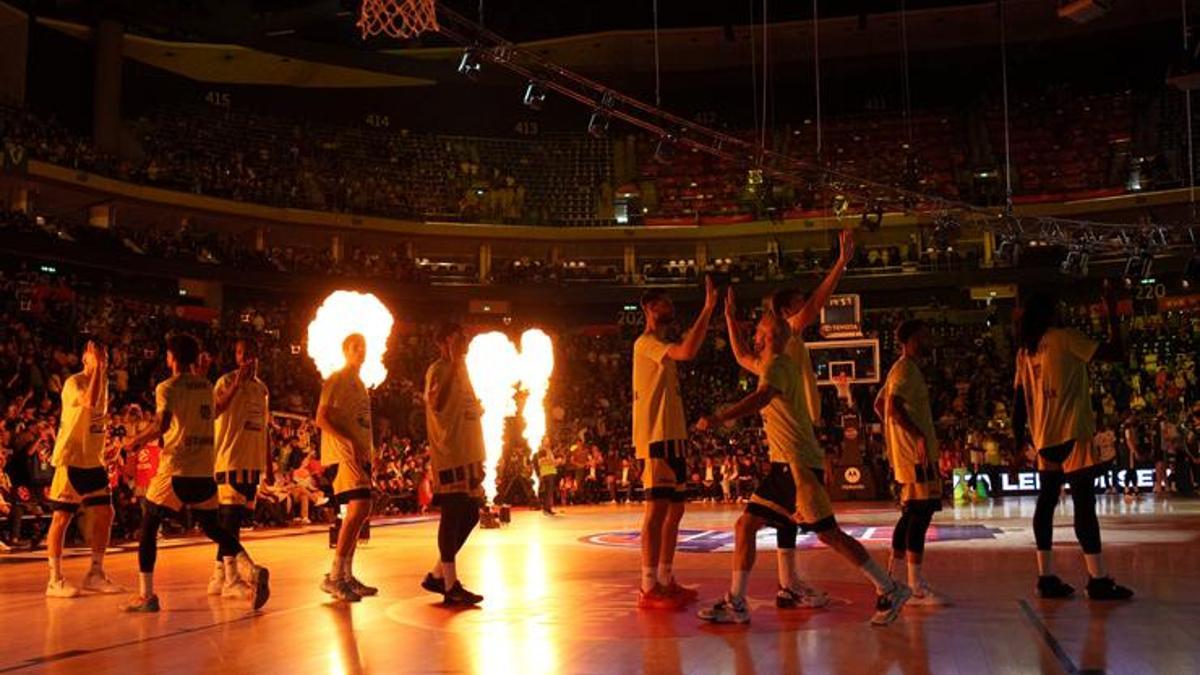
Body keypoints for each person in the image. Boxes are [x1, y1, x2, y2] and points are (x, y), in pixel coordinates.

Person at [696, 291, 909, 626]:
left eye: (758, 331)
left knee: (830, 535)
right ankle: (737, 601)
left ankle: (889, 587)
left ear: (769, 337)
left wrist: (722, 417)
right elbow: (740, 355)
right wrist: (728, 318)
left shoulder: (779, 366)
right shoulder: (771, 363)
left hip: (797, 468)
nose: (753, 335)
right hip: (785, 466)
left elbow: (762, 396)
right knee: (745, 525)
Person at [120, 334, 269, 612]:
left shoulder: (167, 387)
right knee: (214, 528)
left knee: (149, 525)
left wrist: (136, 440)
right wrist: (233, 383)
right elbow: (219, 408)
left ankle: (146, 596)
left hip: (175, 468)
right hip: (204, 471)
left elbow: (162, 425)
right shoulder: (206, 385)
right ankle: (251, 568)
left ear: (172, 358)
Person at [1012, 286, 1133, 601]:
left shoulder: (1025, 351)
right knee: (1084, 505)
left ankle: (1046, 576)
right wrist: (1112, 315)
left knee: (1046, 503)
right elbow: (1116, 353)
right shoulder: (1065, 338)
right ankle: (1097, 579)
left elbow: (1017, 404)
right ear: (1051, 312)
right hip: (1073, 432)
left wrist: (1017, 441)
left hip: (1044, 438)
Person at [764, 228, 856, 608]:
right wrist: (840, 262)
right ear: (787, 313)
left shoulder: (791, 342)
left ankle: (788, 583)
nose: (807, 310)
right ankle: (885, 584)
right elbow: (818, 302)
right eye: (799, 305)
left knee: (784, 513)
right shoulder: (788, 332)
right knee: (820, 522)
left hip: (797, 432)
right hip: (795, 436)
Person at [633, 277, 718, 609]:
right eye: (665, 303)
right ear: (651, 308)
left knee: (676, 509)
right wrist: (708, 308)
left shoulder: (660, 347)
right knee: (656, 511)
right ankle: (647, 584)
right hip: (656, 437)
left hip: (674, 435)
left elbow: (686, 349)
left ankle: (666, 578)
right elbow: (688, 351)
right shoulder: (645, 343)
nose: (671, 308)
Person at [874, 320, 949, 606]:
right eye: (922, 337)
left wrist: (894, 435)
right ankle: (915, 585)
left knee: (910, 514)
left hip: (906, 454)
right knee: (921, 515)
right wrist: (915, 436)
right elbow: (891, 408)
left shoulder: (898, 368)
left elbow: (879, 406)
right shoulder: (906, 369)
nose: (926, 340)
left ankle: (891, 579)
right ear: (909, 341)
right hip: (915, 456)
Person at [45, 341, 125, 598]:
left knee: (106, 513)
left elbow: (95, 423)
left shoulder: (103, 384)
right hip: (71, 459)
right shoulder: (74, 383)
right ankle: (54, 579)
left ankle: (95, 573)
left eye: (105, 357)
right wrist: (100, 368)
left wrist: (106, 447)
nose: (103, 360)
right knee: (61, 518)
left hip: (93, 461)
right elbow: (89, 403)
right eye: (97, 356)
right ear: (84, 359)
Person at [419, 323, 485, 606]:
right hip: (450, 454)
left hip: (469, 453)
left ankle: (437, 574)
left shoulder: (464, 369)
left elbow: (465, 408)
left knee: (471, 514)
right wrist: (455, 363)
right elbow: (437, 402)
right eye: (460, 338)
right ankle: (450, 585)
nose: (465, 342)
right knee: (453, 514)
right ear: (446, 341)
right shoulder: (439, 369)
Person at [207, 339, 274, 602]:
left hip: (252, 463)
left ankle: (218, 575)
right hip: (229, 459)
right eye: (239, 353)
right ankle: (232, 580)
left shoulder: (262, 389)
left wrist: (268, 464)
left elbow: (265, 427)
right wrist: (236, 384)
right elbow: (216, 409)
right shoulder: (225, 381)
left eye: (248, 353)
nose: (244, 357)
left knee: (232, 524)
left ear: (257, 356)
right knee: (229, 521)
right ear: (236, 357)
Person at [316, 334, 378, 602]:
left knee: (362, 510)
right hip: (341, 455)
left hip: (358, 455)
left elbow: (362, 424)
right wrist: (347, 441)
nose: (360, 350)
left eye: (363, 346)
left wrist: (371, 452)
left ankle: (346, 575)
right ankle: (334, 577)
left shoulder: (360, 384)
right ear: (345, 351)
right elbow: (321, 418)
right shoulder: (336, 379)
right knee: (358, 509)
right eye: (355, 347)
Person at [537, 445, 560, 515]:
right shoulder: (542, 451)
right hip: (546, 473)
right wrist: (553, 461)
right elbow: (540, 462)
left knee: (549, 492)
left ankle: (548, 508)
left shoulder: (549, 451)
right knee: (547, 492)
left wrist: (557, 461)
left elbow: (553, 463)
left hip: (551, 472)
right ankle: (546, 509)